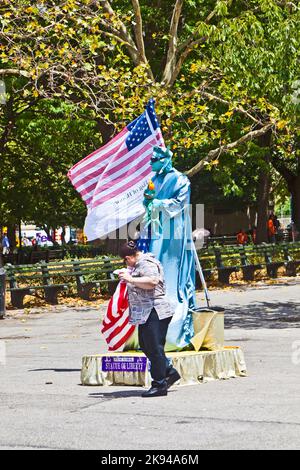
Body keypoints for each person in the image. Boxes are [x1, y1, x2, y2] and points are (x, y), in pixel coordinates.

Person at [137, 145, 196, 351]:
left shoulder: (180, 179)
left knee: (170, 267)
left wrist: (158, 203)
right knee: (154, 262)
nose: (151, 163)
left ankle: (174, 311)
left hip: (175, 233)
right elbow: (148, 202)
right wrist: (148, 201)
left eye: (154, 159)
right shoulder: (154, 180)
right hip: (155, 230)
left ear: (165, 159)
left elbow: (180, 203)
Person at [118, 241, 181, 398]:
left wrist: (130, 279)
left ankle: (159, 384)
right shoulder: (139, 264)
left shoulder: (146, 263)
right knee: (146, 345)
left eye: (125, 261)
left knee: (154, 347)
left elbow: (152, 281)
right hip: (146, 312)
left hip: (156, 310)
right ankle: (169, 372)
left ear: (128, 258)